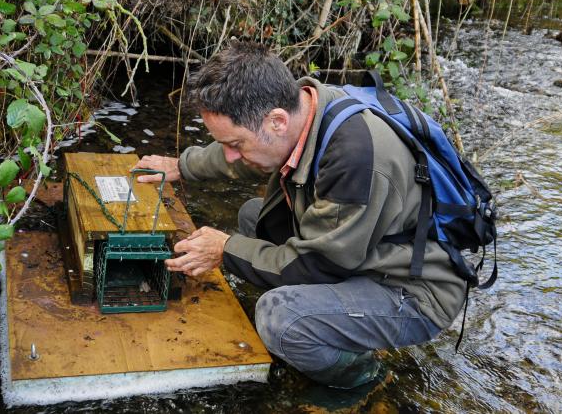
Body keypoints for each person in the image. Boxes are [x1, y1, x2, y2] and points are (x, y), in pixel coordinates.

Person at [133, 41, 466, 389]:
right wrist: (181, 166)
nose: (230, 155)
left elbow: (320, 264)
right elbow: (246, 157)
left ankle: (362, 379)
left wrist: (225, 249)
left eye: (235, 144)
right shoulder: (304, 108)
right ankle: (332, 322)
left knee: (279, 316)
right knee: (253, 217)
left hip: (413, 290)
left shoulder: (355, 158)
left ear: (276, 121)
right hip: (365, 253)